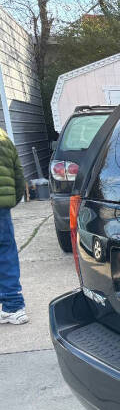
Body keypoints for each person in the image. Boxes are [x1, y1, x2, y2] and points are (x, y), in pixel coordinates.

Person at [0, 127, 28, 325]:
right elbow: (18, 174)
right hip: (1, 209)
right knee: (6, 253)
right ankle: (14, 307)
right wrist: (12, 200)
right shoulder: (3, 137)